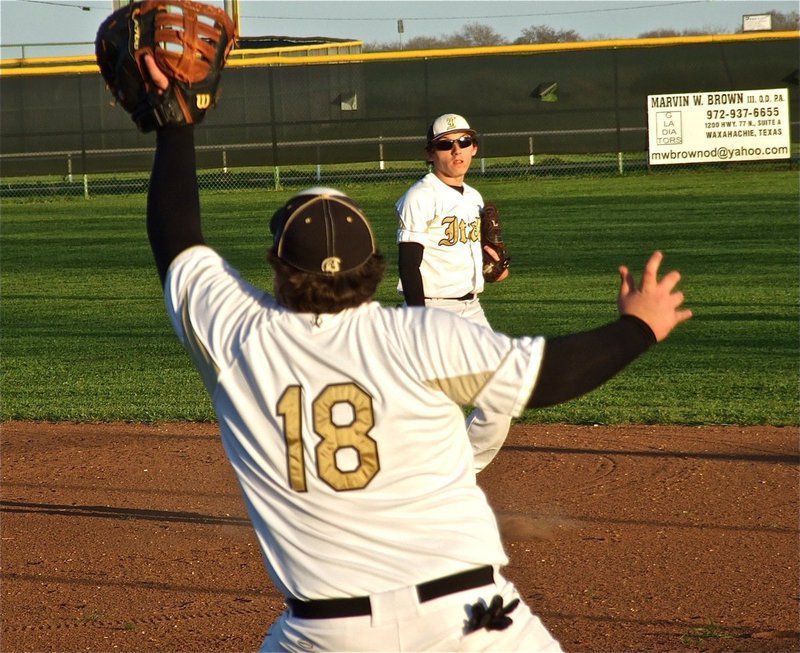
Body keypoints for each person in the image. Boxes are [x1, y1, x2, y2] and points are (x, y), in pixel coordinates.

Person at [144, 58, 691, 652]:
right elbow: (552, 373)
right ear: (374, 267)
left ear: (276, 267)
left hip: (328, 633)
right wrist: (640, 326)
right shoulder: (424, 337)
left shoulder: (242, 340)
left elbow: (177, 240)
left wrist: (177, 127)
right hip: (476, 621)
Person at [396, 113, 511, 469]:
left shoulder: (473, 197)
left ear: (474, 148)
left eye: (463, 142)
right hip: (434, 310)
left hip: (471, 310)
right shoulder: (421, 196)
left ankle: (457, 474)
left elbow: (468, 254)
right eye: (446, 144)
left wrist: (494, 266)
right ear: (431, 153)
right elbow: (408, 262)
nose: (456, 150)